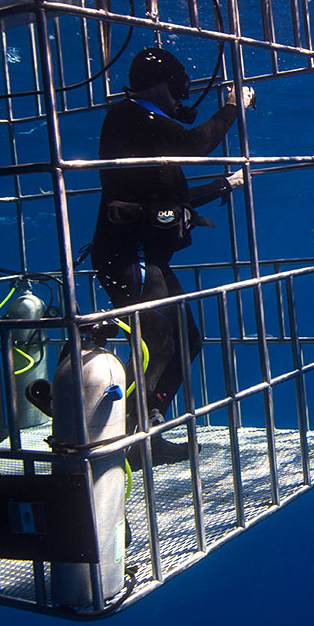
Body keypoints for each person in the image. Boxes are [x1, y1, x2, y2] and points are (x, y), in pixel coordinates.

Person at [89, 46, 251, 464]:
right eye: (180, 88)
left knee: (185, 341)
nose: (183, 97)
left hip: (144, 257)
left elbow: (165, 200)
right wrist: (232, 109)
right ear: (162, 85)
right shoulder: (132, 116)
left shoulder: (145, 125)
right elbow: (196, 143)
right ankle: (132, 437)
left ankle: (146, 423)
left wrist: (223, 186)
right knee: (157, 342)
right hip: (129, 256)